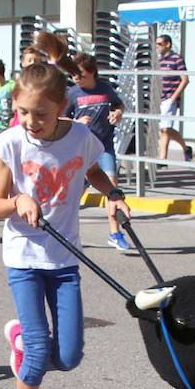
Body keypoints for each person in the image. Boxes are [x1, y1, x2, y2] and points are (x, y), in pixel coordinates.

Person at [0, 63, 131, 389]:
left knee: (68, 355)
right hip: (24, 258)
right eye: (24, 112)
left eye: (41, 114)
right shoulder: (11, 144)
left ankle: (19, 342)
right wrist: (18, 201)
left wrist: (114, 193)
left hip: (65, 258)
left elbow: (91, 171)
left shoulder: (82, 137)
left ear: (62, 108)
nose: (31, 122)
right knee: (38, 352)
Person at [66, 53, 129, 250]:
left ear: (92, 72)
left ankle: (115, 233)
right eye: (73, 74)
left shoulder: (105, 88)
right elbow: (59, 120)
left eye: (80, 74)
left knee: (112, 190)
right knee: (72, 197)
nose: (76, 77)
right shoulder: (72, 94)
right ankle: (65, 233)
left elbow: (119, 104)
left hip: (104, 147)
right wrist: (76, 122)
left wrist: (117, 112)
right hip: (80, 150)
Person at [154, 35, 193, 163]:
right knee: (164, 129)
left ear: (168, 44)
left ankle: (163, 159)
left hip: (170, 98)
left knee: (165, 128)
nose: (157, 47)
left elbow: (185, 80)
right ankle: (185, 147)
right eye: (156, 44)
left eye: (160, 44)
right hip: (159, 97)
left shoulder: (177, 59)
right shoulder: (158, 60)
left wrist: (174, 97)